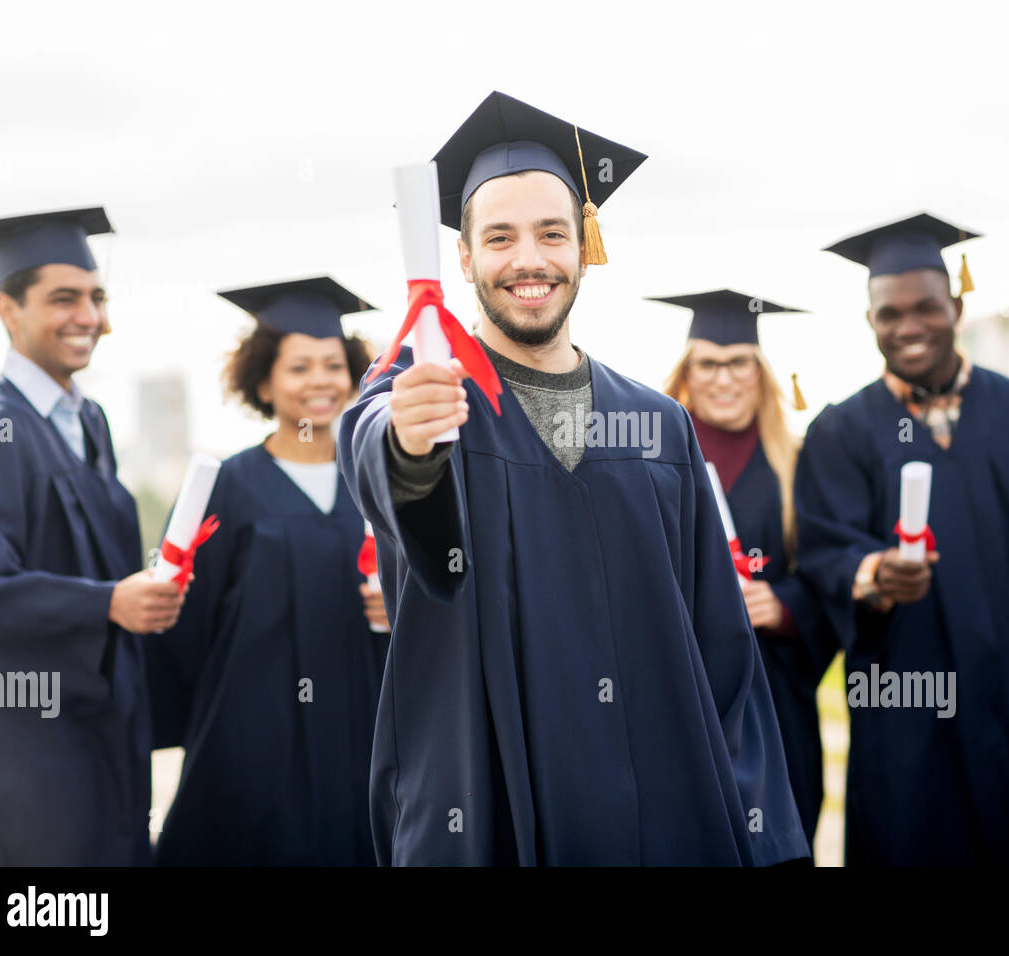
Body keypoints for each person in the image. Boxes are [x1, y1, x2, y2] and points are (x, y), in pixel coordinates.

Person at [339, 91, 809, 866]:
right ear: (463, 257)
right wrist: (408, 441)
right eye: (499, 237)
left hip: (666, 820)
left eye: (552, 233)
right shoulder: (429, 396)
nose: (529, 260)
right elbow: (380, 455)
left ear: (583, 243)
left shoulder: (659, 427)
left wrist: (770, 835)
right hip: (493, 815)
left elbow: (725, 659)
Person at [794, 212, 1009, 865]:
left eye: (925, 307)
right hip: (910, 702)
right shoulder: (839, 431)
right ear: (869, 320)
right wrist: (872, 574)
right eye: (888, 314)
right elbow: (822, 550)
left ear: (956, 306)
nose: (908, 328)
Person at [0, 207, 184, 865]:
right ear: (8, 309)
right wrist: (110, 603)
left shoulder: (90, 420)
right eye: (64, 299)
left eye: (96, 297)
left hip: (104, 722)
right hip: (29, 744)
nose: (88, 316)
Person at [145, 277, 391, 865]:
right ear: (263, 381)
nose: (320, 382)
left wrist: (403, 606)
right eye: (299, 367)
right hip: (253, 733)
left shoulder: (380, 479)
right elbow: (183, 623)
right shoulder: (226, 486)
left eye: (332, 365)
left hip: (366, 727)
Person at [657, 289, 835, 844]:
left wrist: (783, 606)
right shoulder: (654, 459)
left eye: (739, 363)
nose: (724, 378)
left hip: (776, 699)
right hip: (682, 694)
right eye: (708, 364)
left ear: (760, 372)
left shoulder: (800, 462)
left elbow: (830, 573)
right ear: (687, 372)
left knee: (779, 837)